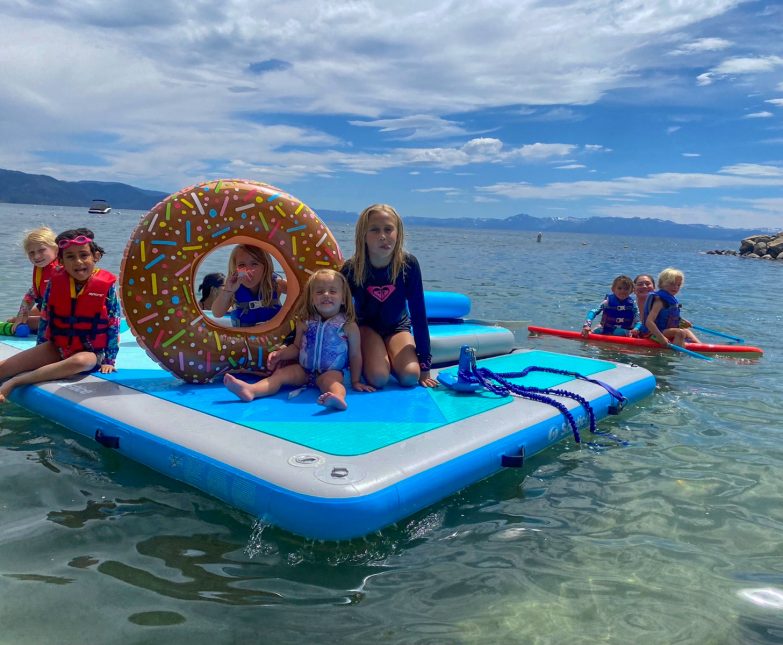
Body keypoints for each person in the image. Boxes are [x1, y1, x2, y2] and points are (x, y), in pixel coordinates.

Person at [223, 269, 374, 410]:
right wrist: (280, 354)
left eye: (333, 291)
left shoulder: (347, 325)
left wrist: (355, 381)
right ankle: (252, 390)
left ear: (343, 299)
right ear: (312, 298)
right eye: (320, 292)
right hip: (304, 370)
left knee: (330, 382)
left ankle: (337, 397)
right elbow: (296, 348)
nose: (326, 295)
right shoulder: (304, 321)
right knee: (280, 375)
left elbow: (355, 355)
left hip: (334, 371)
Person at [0, 228, 120, 403]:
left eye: (84, 255)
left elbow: (113, 322)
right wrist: (40, 348)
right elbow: (45, 318)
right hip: (58, 346)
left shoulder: (106, 286)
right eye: (70, 257)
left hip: (91, 352)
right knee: (4, 366)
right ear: (61, 261)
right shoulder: (55, 283)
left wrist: (110, 359)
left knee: (79, 362)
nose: (78, 262)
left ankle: (15, 382)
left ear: (96, 256)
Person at [340, 204, 437, 388]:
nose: (383, 236)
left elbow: (418, 314)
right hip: (367, 327)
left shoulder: (408, 265)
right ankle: (380, 358)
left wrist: (425, 365)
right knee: (378, 379)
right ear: (363, 236)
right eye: (375, 230)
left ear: (398, 233)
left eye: (388, 229)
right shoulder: (352, 268)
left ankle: (391, 356)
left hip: (397, 326)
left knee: (410, 377)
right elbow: (337, 311)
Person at [211, 245, 287, 327]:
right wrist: (228, 291)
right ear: (235, 268)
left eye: (254, 264)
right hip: (244, 337)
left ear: (265, 267)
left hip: (274, 336)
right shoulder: (232, 289)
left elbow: (300, 291)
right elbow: (217, 313)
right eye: (242, 265)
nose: (248, 270)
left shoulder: (276, 285)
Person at [8, 227, 60, 333]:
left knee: (14, 322)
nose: (36, 256)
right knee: (18, 319)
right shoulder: (42, 270)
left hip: (61, 315)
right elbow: (31, 295)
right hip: (46, 307)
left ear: (56, 249)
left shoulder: (62, 270)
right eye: (31, 253)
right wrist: (22, 315)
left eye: (41, 250)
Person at [639, 267, 700, 347]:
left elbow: (669, 316)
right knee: (680, 332)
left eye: (678, 285)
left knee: (686, 331)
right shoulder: (659, 301)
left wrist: (681, 321)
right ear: (662, 283)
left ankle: (702, 347)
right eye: (672, 284)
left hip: (665, 329)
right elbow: (649, 322)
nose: (675, 287)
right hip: (653, 332)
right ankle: (675, 356)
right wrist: (661, 338)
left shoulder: (670, 299)